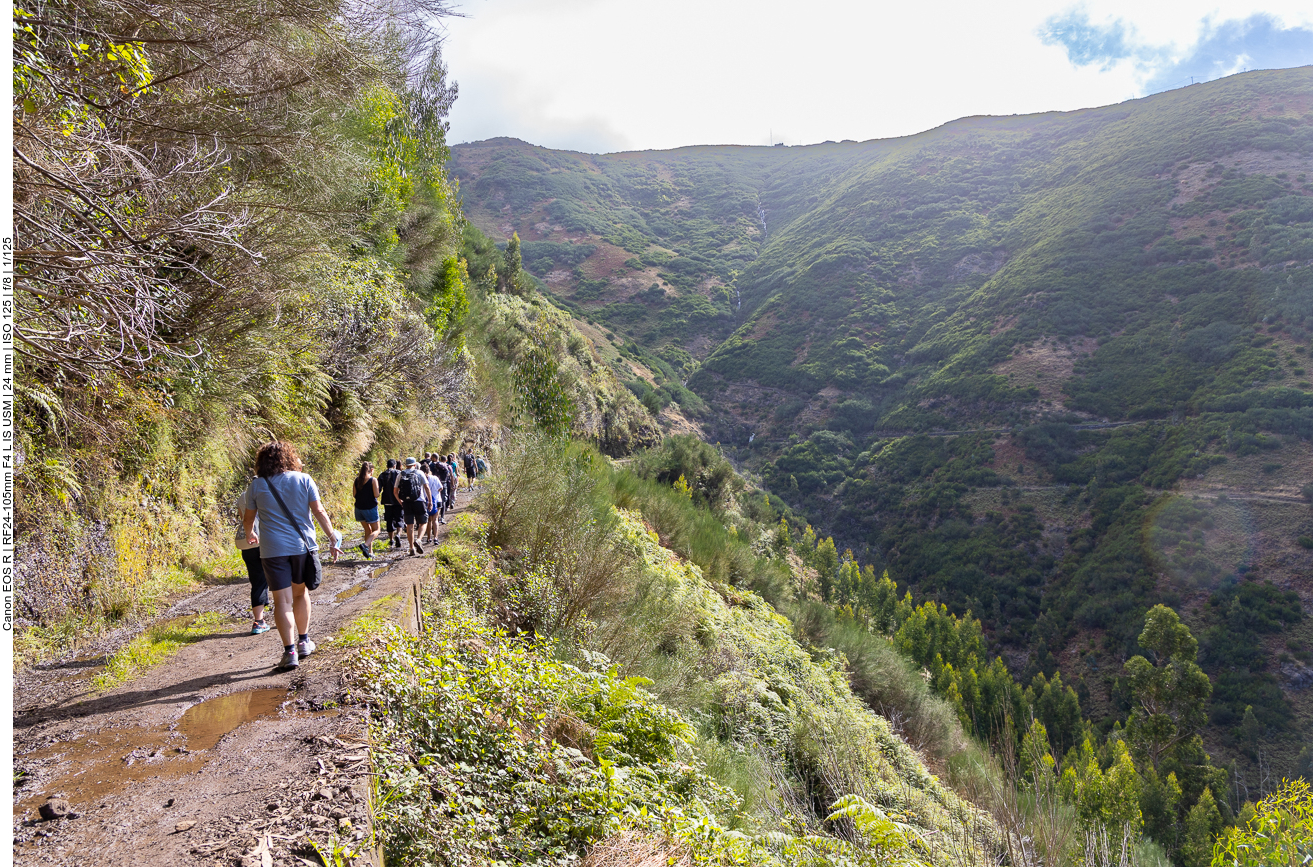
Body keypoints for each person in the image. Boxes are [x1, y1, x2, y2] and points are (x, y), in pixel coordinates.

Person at [243, 441, 342, 670]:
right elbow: (318, 511)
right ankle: (304, 641)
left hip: (272, 550)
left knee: (282, 601)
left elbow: (249, 518)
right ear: (288, 458)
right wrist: (332, 537)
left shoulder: (257, 485)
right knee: (300, 593)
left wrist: (250, 534)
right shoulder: (304, 479)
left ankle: (289, 652)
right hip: (301, 547)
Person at [235, 478, 269, 635]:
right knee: (279, 578)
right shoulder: (268, 494)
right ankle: (286, 614)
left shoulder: (243, 496)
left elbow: (243, 517)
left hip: (247, 543)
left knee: (257, 581)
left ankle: (258, 621)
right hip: (266, 540)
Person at [393, 457, 431, 555]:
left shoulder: (401, 474)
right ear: (415, 465)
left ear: (406, 465)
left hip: (406, 502)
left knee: (410, 525)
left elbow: (395, 491)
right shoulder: (420, 473)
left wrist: (400, 501)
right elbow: (426, 487)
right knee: (423, 522)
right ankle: (419, 539)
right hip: (419, 501)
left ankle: (411, 548)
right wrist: (430, 501)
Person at [352, 461, 381, 560]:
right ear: (371, 470)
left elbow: (354, 495)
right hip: (370, 508)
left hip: (359, 509)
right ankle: (365, 545)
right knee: (377, 530)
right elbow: (376, 494)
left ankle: (369, 552)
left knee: (367, 530)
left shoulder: (357, 480)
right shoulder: (373, 480)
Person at [377, 459, 402, 549]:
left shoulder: (382, 475)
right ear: (395, 465)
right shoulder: (399, 473)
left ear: (387, 466)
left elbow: (378, 489)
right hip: (398, 500)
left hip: (387, 501)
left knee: (389, 520)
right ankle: (398, 535)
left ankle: (391, 540)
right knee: (399, 519)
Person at [423, 462, 445, 541]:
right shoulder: (435, 478)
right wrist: (436, 492)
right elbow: (441, 487)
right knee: (435, 520)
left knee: (428, 520)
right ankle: (436, 537)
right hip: (437, 500)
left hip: (426, 501)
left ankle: (429, 538)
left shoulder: (422, 479)